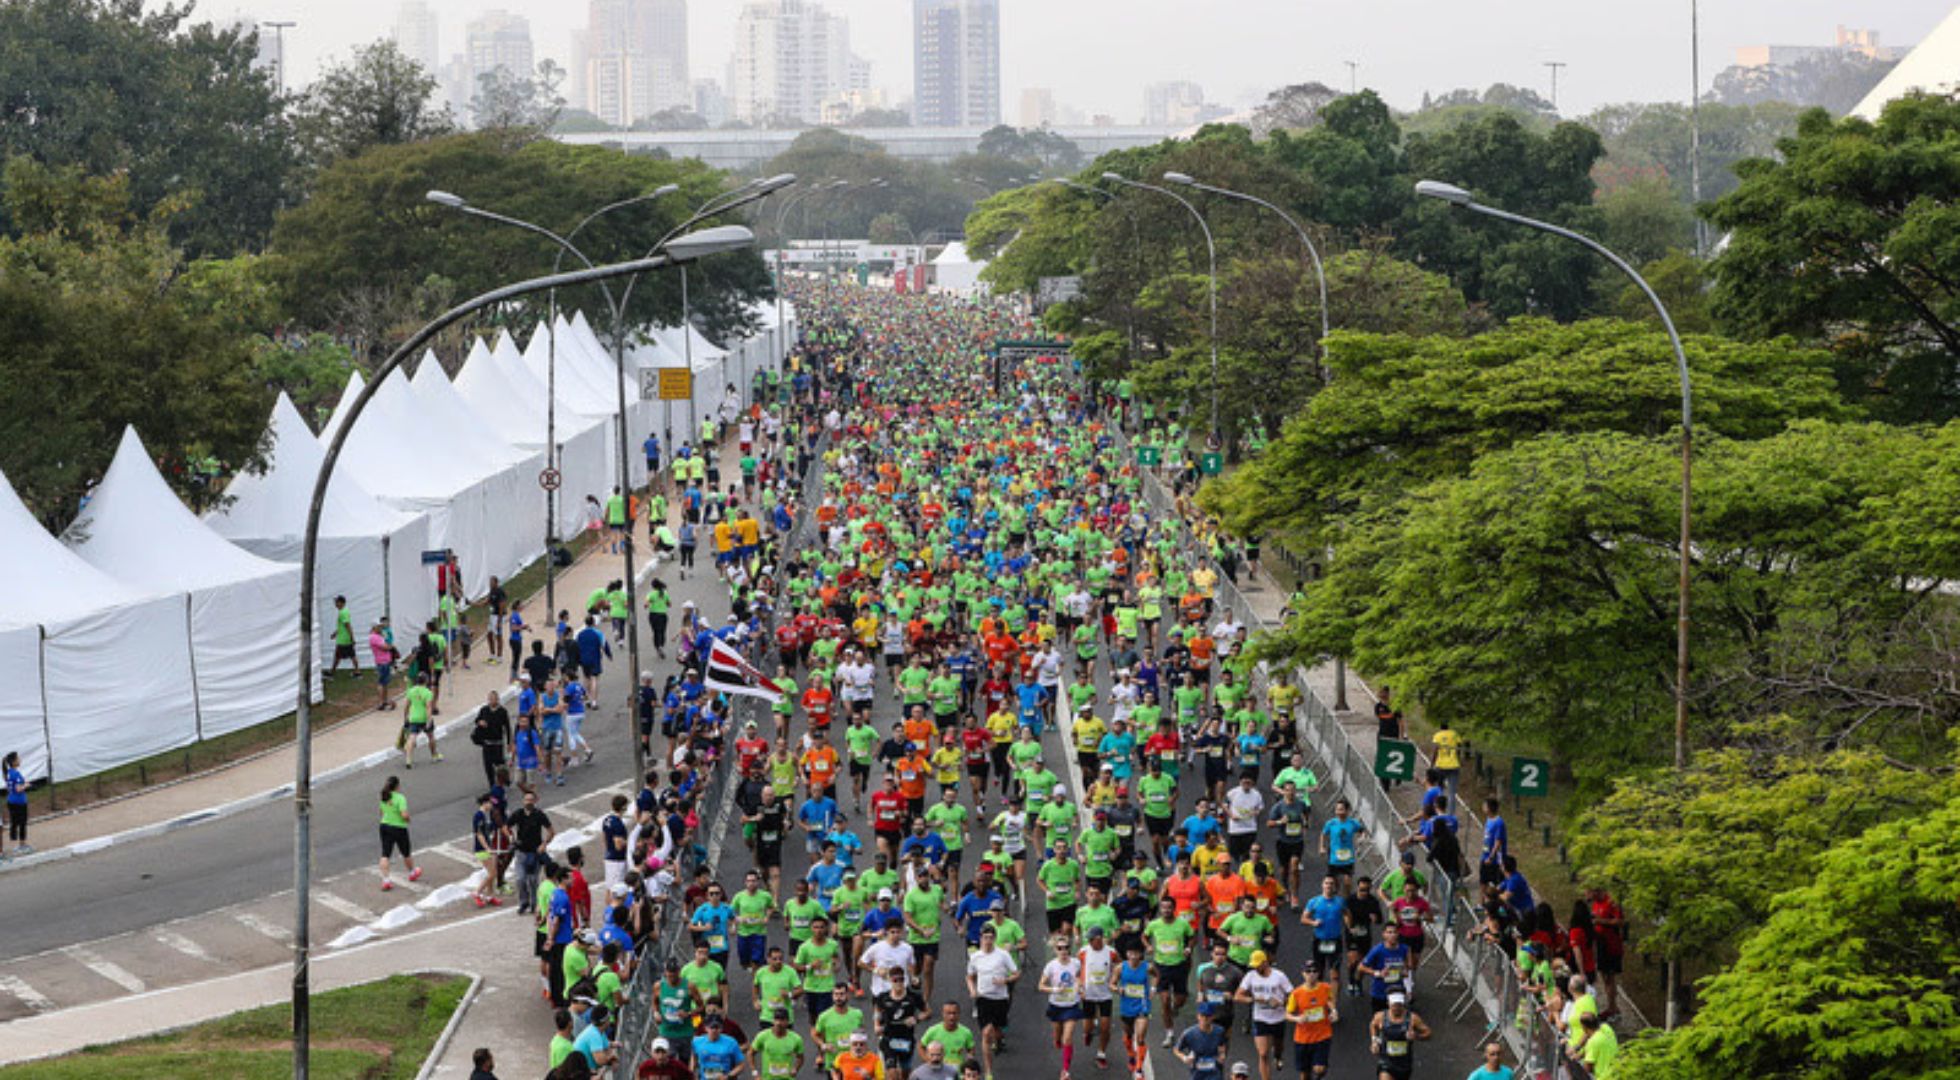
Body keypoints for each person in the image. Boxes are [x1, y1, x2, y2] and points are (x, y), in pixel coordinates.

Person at [965, 925, 1019, 1080]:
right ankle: (988, 1071)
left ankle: (999, 1038)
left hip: (1001, 998)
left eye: (990, 938)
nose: (988, 941)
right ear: (981, 939)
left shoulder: (1003, 955)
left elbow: (1016, 973)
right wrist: (972, 990)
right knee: (986, 1032)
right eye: (985, 937)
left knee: (998, 1030)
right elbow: (969, 976)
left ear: (994, 939)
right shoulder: (975, 957)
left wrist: (1006, 980)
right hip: (983, 998)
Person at [1234, 950, 1292, 1080]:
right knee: (1263, 1053)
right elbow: (1238, 996)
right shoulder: (1250, 976)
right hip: (1260, 1018)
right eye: (1253, 966)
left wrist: (1281, 1002)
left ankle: (1277, 1056)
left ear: (1265, 963)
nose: (1255, 968)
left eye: (1257, 965)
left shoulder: (1279, 976)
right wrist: (1253, 999)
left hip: (1278, 1018)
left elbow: (1292, 995)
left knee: (1278, 1047)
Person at [1039, 935, 1085, 1080]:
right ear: (1055, 950)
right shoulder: (1051, 966)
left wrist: (1079, 986)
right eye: (1060, 948)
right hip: (1056, 1005)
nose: (1063, 951)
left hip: (1072, 1005)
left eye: (1066, 948)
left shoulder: (1076, 963)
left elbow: (1079, 977)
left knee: (1068, 1037)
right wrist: (1054, 990)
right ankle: (1057, 1039)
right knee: (1058, 1036)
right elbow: (1040, 986)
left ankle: (1065, 1071)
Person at [1284, 962, 1336, 1080]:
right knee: (1305, 1074)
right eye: (1308, 972)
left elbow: (1329, 1000)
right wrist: (1297, 1018)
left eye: (1314, 971)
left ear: (1318, 974)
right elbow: (1286, 1014)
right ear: (1303, 974)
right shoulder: (1296, 994)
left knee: (1320, 1069)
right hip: (1303, 1038)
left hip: (1322, 1035)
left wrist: (1333, 1011)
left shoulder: (1325, 987)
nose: (1311, 974)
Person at [1368, 992, 1429, 1080]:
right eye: (1394, 1005)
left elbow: (1428, 1032)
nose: (1396, 1008)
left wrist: (1416, 1036)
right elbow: (1373, 1025)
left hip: (1404, 1063)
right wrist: (1374, 1041)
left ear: (1403, 1004)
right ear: (1388, 1003)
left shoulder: (1412, 1018)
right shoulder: (1380, 1017)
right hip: (1386, 1061)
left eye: (1399, 1005)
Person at [376, 775, 421, 891]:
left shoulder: (384, 796)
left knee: (385, 854)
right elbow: (404, 814)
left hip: (384, 826)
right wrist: (408, 820)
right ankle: (412, 872)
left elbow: (381, 812)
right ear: (397, 786)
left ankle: (386, 880)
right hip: (398, 827)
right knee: (405, 851)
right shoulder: (400, 798)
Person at [1171, 1002, 1227, 1080]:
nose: (1204, 1019)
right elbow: (1176, 1049)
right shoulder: (1189, 1034)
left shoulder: (1219, 1031)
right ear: (1198, 1016)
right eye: (1202, 1016)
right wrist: (1185, 1058)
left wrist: (1222, 1054)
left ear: (1212, 1017)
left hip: (1215, 1073)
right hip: (1197, 1074)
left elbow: (1221, 1045)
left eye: (1207, 1016)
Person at [3, 751, 27, 856]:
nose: (20, 760)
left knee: (15, 821)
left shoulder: (8, 772)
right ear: (13, 762)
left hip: (11, 801)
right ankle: (22, 845)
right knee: (22, 823)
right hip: (19, 802)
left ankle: (14, 839)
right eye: (18, 758)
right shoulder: (15, 773)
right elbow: (18, 789)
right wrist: (26, 785)